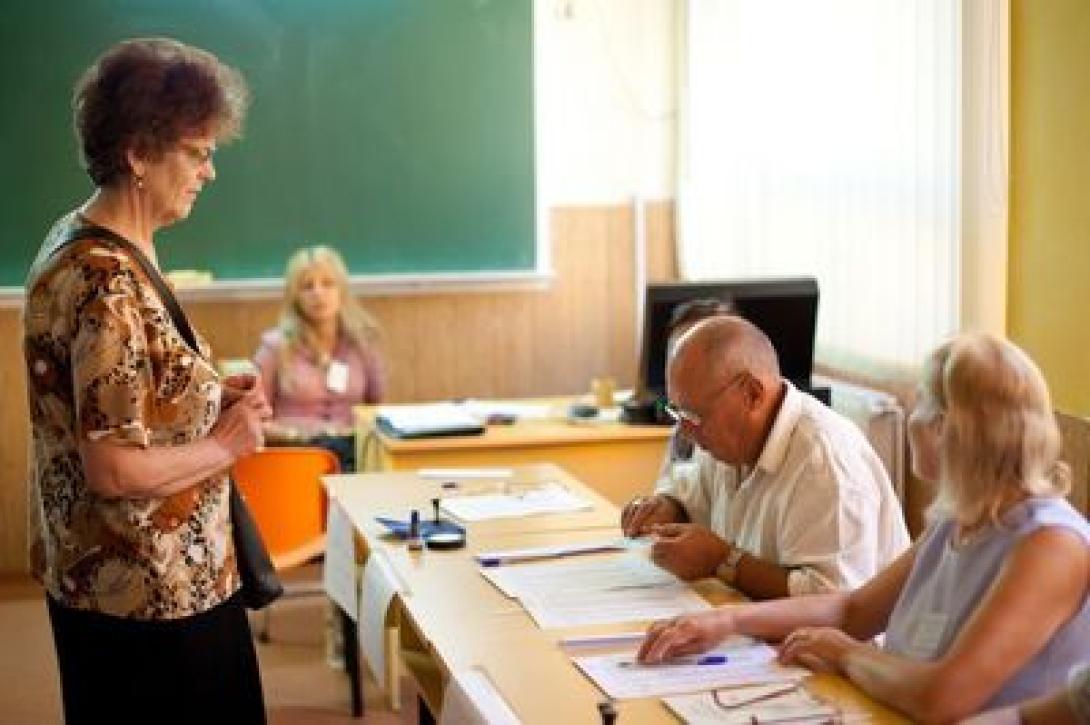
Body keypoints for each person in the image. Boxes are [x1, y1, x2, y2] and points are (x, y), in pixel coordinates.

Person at [638, 333, 1090, 722]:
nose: (913, 419)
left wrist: (848, 655)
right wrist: (726, 620)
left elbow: (943, 698)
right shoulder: (962, 518)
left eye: (923, 405)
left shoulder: (1049, 545)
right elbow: (852, 611)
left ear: (951, 429)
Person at [22, 38, 269, 723]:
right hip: (152, 603)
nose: (209, 171)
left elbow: (119, 397)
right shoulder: (106, 281)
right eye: (196, 152)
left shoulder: (86, 237)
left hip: (126, 591)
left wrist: (208, 395)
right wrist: (226, 442)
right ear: (137, 153)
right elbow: (114, 468)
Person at [622, 316, 908, 599]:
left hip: (833, 642)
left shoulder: (824, 463)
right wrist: (666, 508)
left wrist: (723, 562)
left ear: (752, 394)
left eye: (693, 415)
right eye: (677, 411)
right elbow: (696, 502)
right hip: (754, 626)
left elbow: (832, 601)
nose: (684, 429)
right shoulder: (721, 435)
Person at [253, 245, 385, 472]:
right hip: (296, 459)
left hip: (353, 457)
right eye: (307, 286)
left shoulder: (362, 345)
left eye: (327, 283)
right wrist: (297, 435)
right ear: (294, 296)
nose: (318, 293)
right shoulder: (274, 348)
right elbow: (251, 422)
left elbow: (376, 411)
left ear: (341, 290)